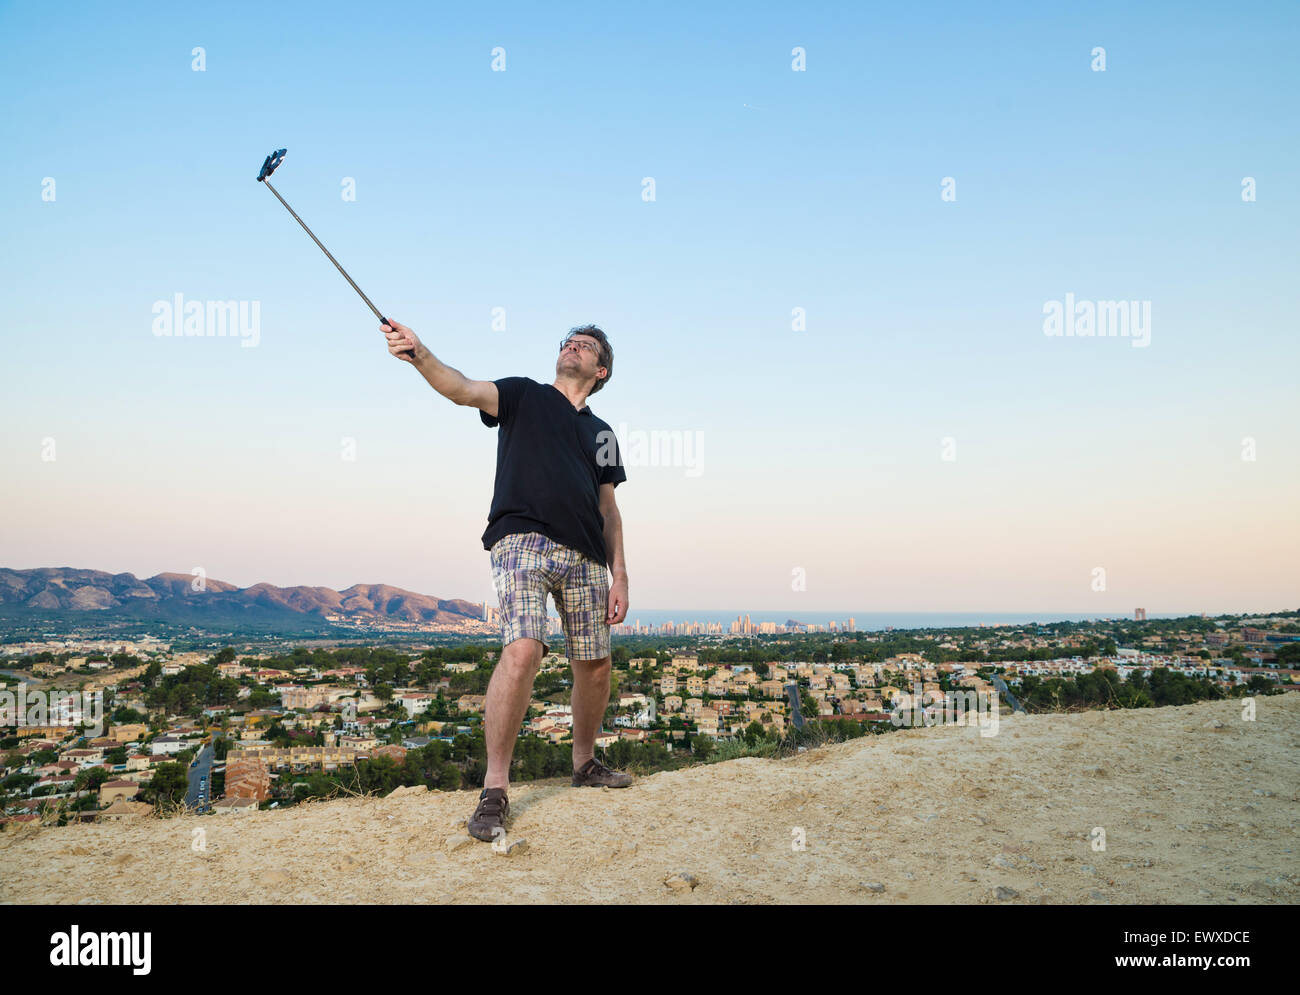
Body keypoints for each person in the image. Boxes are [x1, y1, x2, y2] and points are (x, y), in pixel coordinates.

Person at [381, 319, 632, 844]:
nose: (572, 346)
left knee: (596, 662)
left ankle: (584, 763)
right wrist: (420, 352)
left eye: (584, 346)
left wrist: (620, 574)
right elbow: (460, 388)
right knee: (524, 649)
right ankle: (494, 789)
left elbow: (610, 508)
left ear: (600, 369)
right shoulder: (523, 395)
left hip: (588, 556)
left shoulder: (603, 433)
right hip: (521, 539)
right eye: (568, 341)